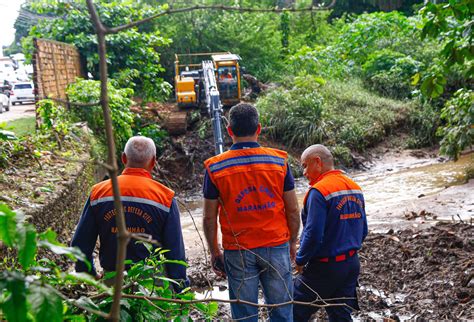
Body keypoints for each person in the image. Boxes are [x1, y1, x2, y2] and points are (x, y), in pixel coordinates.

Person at [202, 103, 300, 322]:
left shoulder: (215, 167)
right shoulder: (279, 161)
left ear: (229, 131)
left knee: (245, 314)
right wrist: (292, 242)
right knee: (282, 311)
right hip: (276, 246)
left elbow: (209, 218)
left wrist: (214, 251)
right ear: (259, 128)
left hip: (238, 250)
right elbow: (293, 209)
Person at [71, 136, 188, 289]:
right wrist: (181, 289)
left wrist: (90, 274)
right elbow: (175, 253)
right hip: (153, 286)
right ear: (153, 161)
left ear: (124, 158)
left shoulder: (98, 193)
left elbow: (80, 244)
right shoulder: (165, 197)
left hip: (113, 282)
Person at [293, 144, 368, 321]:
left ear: (317, 162)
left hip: (324, 268)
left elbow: (313, 234)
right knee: (341, 316)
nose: (304, 172)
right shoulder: (354, 187)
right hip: (351, 265)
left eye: (305, 166)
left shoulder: (319, 192)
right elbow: (363, 230)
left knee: (292, 309)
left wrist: (301, 259)